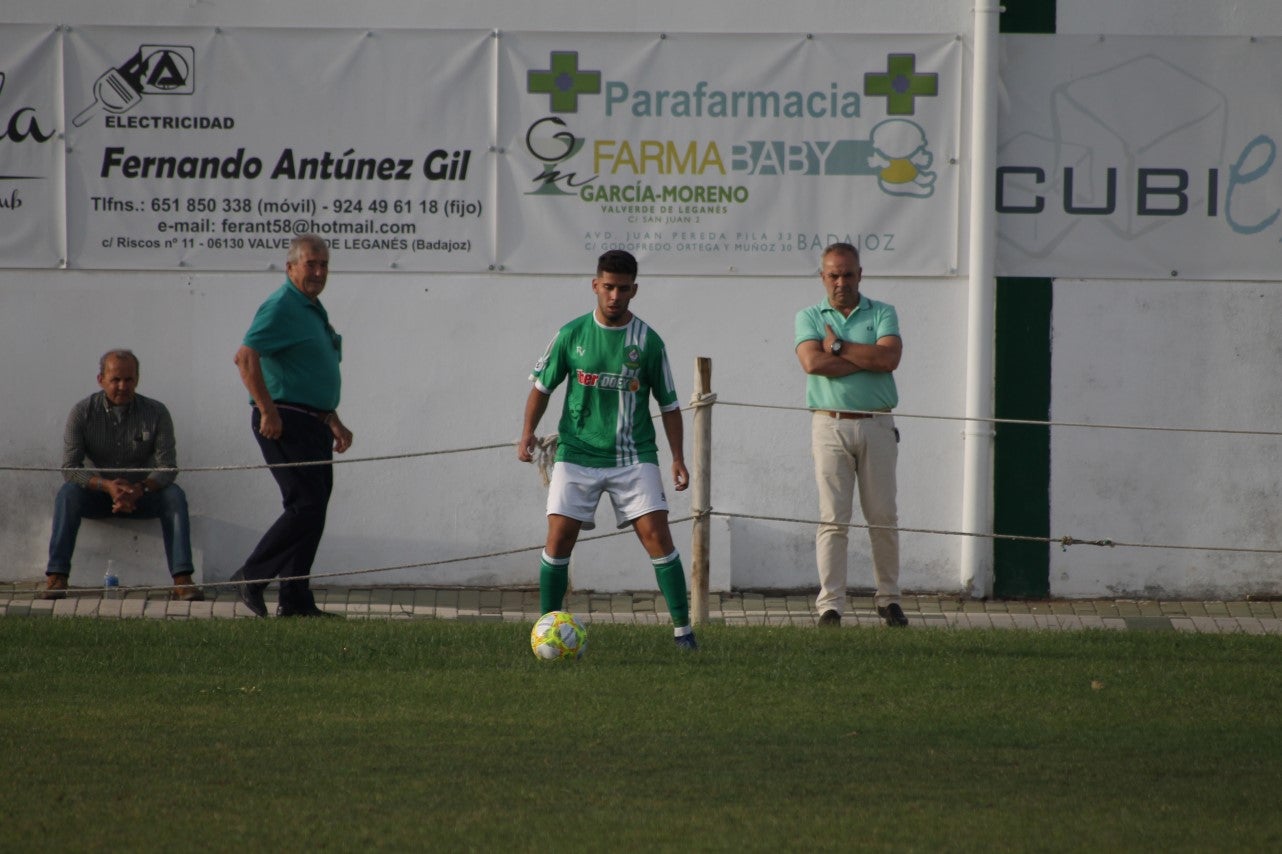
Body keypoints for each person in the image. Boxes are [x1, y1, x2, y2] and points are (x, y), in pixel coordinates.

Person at [518, 249, 698, 650]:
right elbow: (541, 387)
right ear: (595, 285)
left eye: (623, 288)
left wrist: (678, 458)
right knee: (559, 538)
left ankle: (684, 633)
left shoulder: (648, 342)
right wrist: (527, 431)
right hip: (577, 454)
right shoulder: (571, 334)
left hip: (633, 457)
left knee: (657, 535)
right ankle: (548, 628)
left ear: (635, 289)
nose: (615, 295)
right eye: (608, 287)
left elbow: (668, 405)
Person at [231, 234, 352, 618]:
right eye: (310, 264)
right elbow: (246, 357)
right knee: (305, 506)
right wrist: (267, 411)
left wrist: (332, 419)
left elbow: (306, 370)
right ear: (290, 267)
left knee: (313, 509)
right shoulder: (282, 304)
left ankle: (295, 599)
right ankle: (251, 576)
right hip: (285, 422)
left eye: (323, 265)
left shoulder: (311, 308)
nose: (318, 272)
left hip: (312, 422)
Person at [794, 242, 908, 628]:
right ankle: (830, 606)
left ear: (860, 274)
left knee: (883, 517)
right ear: (823, 277)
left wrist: (839, 347)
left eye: (847, 274)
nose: (841, 282)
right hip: (829, 423)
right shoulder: (809, 315)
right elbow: (812, 362)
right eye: (833, 275)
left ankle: (889, 599)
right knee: (833, 519)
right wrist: (865, 360)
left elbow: (889, 359)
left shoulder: (883, 312)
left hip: (877, 423)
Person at [42, 349, 203, 601]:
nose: (122, 386)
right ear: (100, 380)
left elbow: (168, 467)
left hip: (142, 494)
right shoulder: (82, 412)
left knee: (174, 496)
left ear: (137, 379)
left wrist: (139, 489)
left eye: (128, 379)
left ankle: (182, 579)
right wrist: (106, 486)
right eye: (115, 379)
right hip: (98, 494)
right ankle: (57, 576)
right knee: (68, 494)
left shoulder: (157, 412)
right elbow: (70, 467)